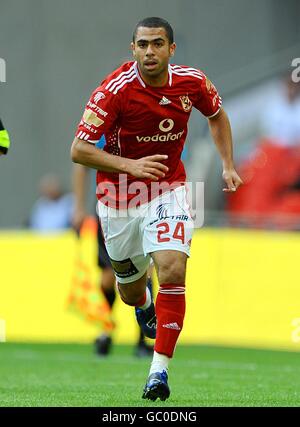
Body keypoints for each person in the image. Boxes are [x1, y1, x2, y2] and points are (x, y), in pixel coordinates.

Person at [71, 17, 242, 401]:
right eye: (143, 45)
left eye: (158, 44)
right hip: (119, 199)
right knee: (129, 291)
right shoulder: (113, 91)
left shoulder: (192, 82)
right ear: (132, 49)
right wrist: (131, 166)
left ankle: (158, 373)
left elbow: (216, 116)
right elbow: (78, 150)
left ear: (171, 49)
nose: (151, 52)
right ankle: (144, 303)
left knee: (172, 265)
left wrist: (228, 164)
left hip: (169, 189)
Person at [72, 161, 154, 357]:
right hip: (111, 209)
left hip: (146, 205)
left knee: (148, 271)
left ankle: (142, 339)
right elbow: (81, 162)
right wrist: (79, 207)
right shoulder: (106, 131)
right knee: (108, 278)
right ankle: (105, 330)